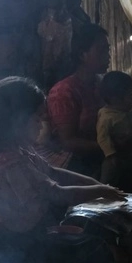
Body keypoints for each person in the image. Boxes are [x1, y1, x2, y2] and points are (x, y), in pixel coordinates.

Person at [0, 76, 124, 263]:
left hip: (32, 235)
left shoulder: (22, 150)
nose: (42, 125)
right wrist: (102, 192)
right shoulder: (6, 162)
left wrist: (97, 184)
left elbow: (53, 172)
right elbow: (56, 192)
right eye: (38, 118)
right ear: (17, 120)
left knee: (90, 237)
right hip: (16, 248)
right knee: (91, 251)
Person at [39, 23, 109, 176]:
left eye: (107, 50)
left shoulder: (101, 85)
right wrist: (108, 148)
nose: (108, 55)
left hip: (97, 155)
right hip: (70, 163)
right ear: (82, 55)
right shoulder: (64, 92)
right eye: (101, 50)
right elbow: (67, 142)